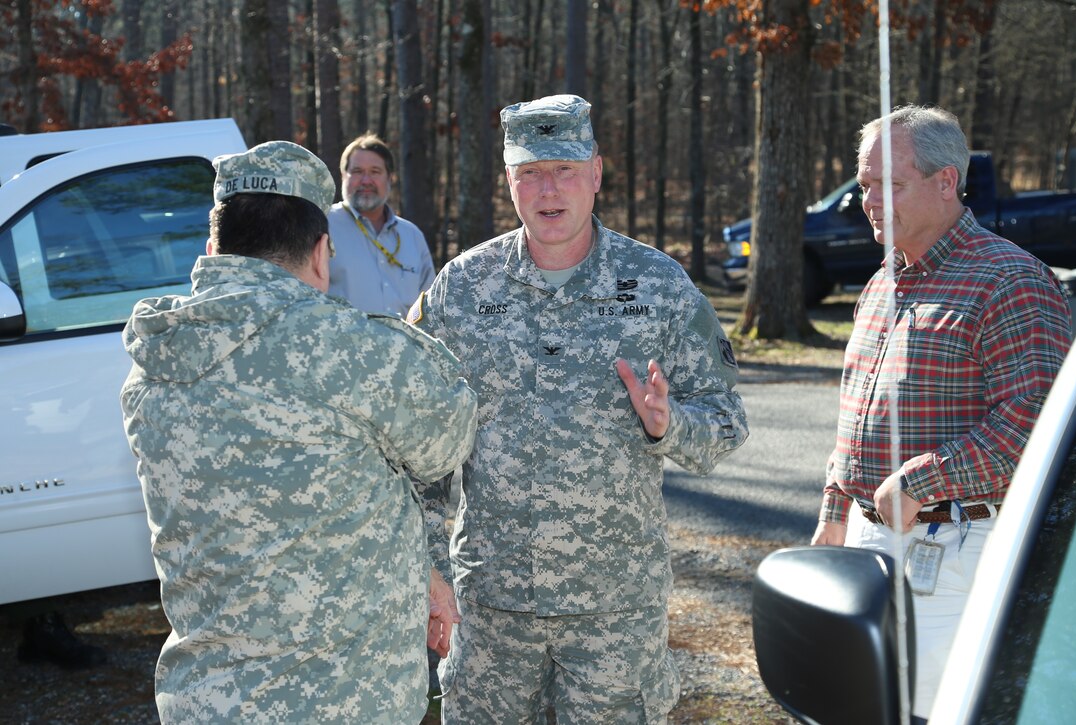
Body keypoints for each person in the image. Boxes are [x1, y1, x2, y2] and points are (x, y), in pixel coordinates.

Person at [409, 94, 749, 724]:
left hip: (614, 615)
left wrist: (670, 426)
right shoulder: (461, 289)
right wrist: (431, 568)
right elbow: (414, 447)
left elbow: (726, 423)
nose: (548, 189)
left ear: (596, 173)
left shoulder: (658, 286)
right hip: (493, 610)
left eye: (564, 169)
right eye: (529, 172)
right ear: (509, 181)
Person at [119, 140, 478, 723]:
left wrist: (422, 572)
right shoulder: (355, 351)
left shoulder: (155, 360)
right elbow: (446, 441)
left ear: (212, 249)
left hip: (207, 703)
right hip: (345, 702)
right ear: (320, 253)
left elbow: (293, 510)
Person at [811, 105, 1072, 720]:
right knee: (866, 709)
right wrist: (835, 511)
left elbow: (1035, 426)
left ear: (946, 180)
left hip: (953, 551)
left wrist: (923, 480)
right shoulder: (882, 283)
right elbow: (857, 416)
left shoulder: (1010, 280)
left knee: (936, 712)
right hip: (869, 543)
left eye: (889, 184)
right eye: (866, 183)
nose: (869, 200)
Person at [327, 134, 435, 317]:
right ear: (343, 176)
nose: (366, 181)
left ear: (390, 178)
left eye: (375, 171)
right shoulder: (322, 225)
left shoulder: (412, 236)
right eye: (357, 171)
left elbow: (430, 308)